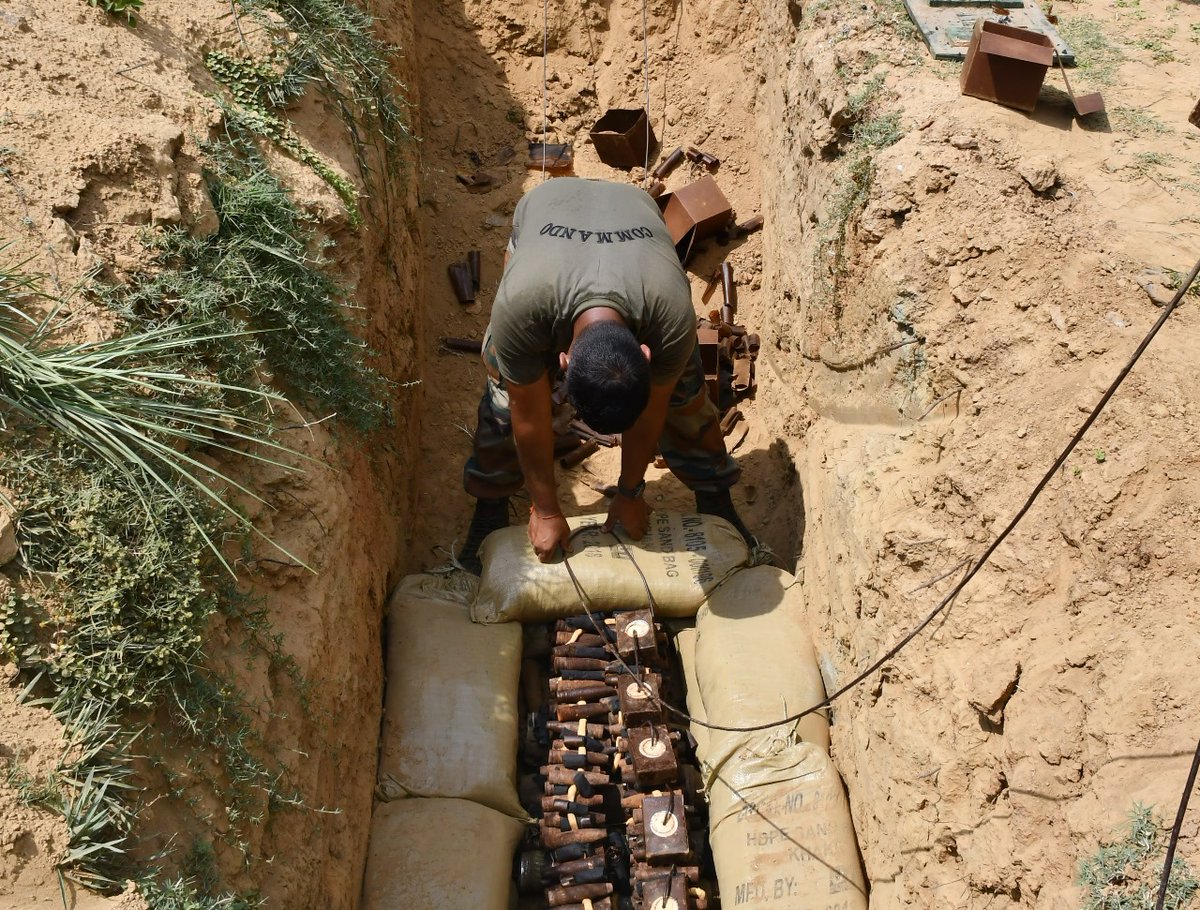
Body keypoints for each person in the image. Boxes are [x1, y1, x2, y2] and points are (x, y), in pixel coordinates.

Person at [457, 177, 753, 574]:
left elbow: (654, 410)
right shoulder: (521, 308)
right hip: (548, 206)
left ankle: (714, 496)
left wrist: (631, 491)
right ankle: (490, 503)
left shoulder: (670, 317)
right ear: (560, 361)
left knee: (684, 396)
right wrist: (545, 510)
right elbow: (528, 416)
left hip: (632, 210)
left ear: (645, 352)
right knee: (504, 404)